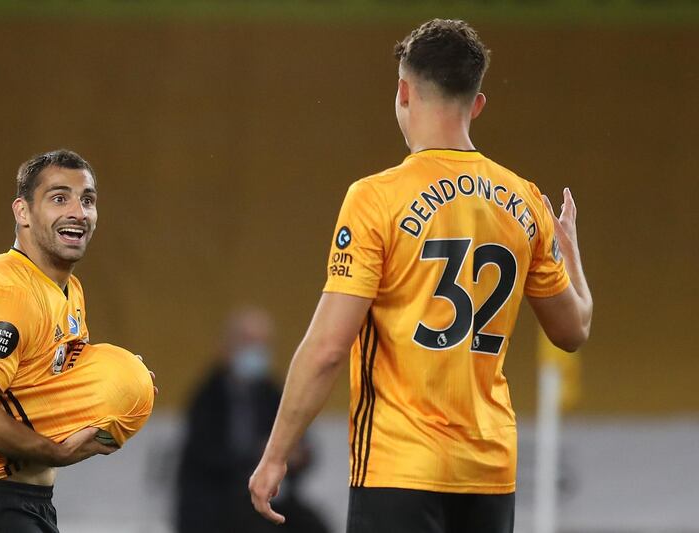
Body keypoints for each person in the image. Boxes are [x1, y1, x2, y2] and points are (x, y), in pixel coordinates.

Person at [249, 19, 593, 533]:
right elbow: (573, 331)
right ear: (477, 104)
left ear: (403, 92)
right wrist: (572, 256)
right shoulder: (524, 200)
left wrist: (275, 453)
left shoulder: (375, 198)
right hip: (490, 471)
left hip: (399, 464)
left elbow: (327, 347)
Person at [0, 149, 155, 533]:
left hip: (25, 504)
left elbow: (43, 388)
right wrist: (57, 452)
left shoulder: (68, 291)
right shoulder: (6, 290)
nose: (78, 212)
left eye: (87, 200)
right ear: (22, 212)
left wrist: (122, 389)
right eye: (59, 198)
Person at [176, 307, 329, 533]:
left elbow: (300, 439)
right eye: (249, 342)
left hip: (271, 496)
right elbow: (205, 453)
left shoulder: (272, 392)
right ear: (227, 345)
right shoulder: (208, 396)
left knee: (314, 525)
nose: (256, 352)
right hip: (218, 500)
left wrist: (297, 454)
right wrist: (257, 453)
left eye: (263, 344)